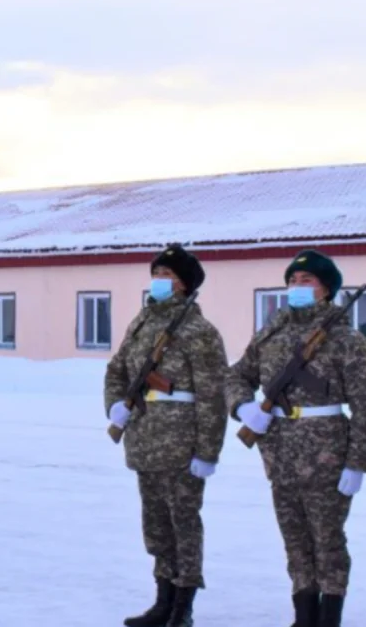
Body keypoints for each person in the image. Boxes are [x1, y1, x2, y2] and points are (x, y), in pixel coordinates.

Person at [225, 249, 366, 627]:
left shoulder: (346, 339)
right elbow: (236, 375)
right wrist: (243, 407)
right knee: (294, 539)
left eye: (306, 280)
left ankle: (329, 617)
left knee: (327, 540)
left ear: (326, 289)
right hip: (279, 452)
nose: (297, 286)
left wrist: (358, 463)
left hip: (326, 454)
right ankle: (304, 615)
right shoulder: (271, 333)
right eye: (293, 281)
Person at [104, 244, 228, 627]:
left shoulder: (199, 331)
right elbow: (117, 369)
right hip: (144, 439)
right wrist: (115, 405)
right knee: (156, 525)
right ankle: (162, 600)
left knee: (183, 525)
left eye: (168, 275)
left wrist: (207, 451)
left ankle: (182, 608)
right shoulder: (142, 323)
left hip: (181, 444)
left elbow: (213, 396)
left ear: (185, 285)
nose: (159, 280)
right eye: (156, 273)